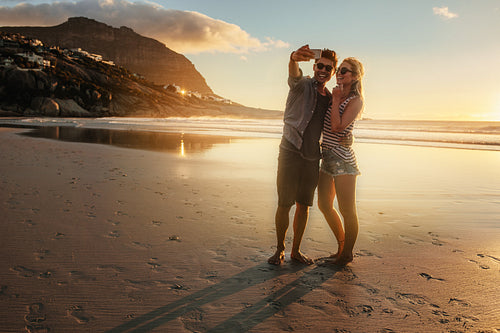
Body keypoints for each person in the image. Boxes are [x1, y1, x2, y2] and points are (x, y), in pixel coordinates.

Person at [268, 45, 338, 265]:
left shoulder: (329, 97)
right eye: (320, 65)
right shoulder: (301, 84)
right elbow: (293, 71)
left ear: (333, 72)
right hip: (290, 150)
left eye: (329, 68)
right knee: (284, 203)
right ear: (314, 66)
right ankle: (280, 249)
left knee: (304, 205)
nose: (323, 70)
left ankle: (295, 251)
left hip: (311, 157)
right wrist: (293, 58)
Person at [317, 57, 365, 266]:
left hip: (343, 160)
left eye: (344, 71)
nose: (339, 74)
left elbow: (338, 127)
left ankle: (347, 254)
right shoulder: (334, 95)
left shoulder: (355, 100)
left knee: (347, 210)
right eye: (340, 70)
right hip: (326, 157)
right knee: (324, 205)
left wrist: (336, 100)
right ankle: (342, 246)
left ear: (355, 77)